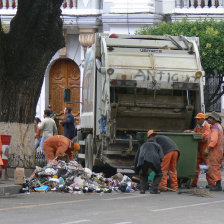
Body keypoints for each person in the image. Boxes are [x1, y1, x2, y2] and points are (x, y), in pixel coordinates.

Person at [185, 113, 211, 188]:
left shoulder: (206, 126)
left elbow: (205, 136)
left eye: (198, 119)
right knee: (196, 166)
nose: (197, 120)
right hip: (199, 149)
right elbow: (195, 132)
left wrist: (195, 133)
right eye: (196, 119)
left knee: (207, 166)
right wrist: (190, 132)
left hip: (206, 150)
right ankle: (194, 183)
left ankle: (211, 183)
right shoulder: (198, 126)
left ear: (203, 119)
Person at [205, 111, 223, 191]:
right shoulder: (218, 126)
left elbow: (214, 140)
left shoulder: (215, 128)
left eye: (210, 118)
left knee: (214, 168)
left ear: (214, 119)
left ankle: (218, 185)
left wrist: (208, 149)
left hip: (214, 152)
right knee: (215, 167)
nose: (208, 120)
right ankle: (215, 184)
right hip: (218, 151)